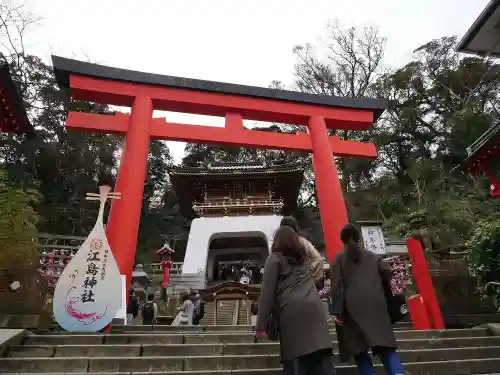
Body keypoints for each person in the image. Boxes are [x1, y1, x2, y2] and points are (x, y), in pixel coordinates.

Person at [256, 226, 334, 375]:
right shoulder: (304, 259)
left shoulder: (274, 259)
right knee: (320, 355)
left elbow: (267, 293)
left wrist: (261, 324)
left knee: (297, 355)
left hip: (291, 309)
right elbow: (317, 261)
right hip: (314, 307)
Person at [330, 223, 404, 375]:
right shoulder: (374, 257)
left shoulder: (338, 260)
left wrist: (337, 312)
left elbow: (336, 287)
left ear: (342, 240)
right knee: (386, 348)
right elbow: (387, 276)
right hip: (376, 305)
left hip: (352, 309)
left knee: (359, 350)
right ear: (358, 238)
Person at [280, 216, 324, 289]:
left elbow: (317, 259)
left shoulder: (301, 242)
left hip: (299, 285)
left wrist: (304, 274)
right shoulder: (283, 243)